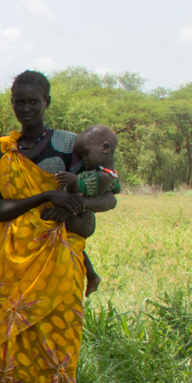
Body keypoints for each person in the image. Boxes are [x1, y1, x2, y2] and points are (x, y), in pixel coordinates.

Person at [0, 71, 113, 383]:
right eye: (18, 102)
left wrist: (75, 205)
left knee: (55, 356)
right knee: (9, 354)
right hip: (15, 266)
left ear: (47, 102)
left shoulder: (72, 145)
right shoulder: (0, 151)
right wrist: (45, 197)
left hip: (61, 267)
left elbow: (106, 198)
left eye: (33, 102)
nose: (25, 109)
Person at [47, 124, 121, 295]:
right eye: (81, 156)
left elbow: (84, 189)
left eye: (86, 154)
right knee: (73, 244)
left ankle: (88, 275)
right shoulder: (107, 174)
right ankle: (91, 275)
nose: (83, 160)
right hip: (81, 213)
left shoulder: (103, 176)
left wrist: (73, 181)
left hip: (82, 217)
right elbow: (115, 190)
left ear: (105, 148)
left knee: (48, 218)